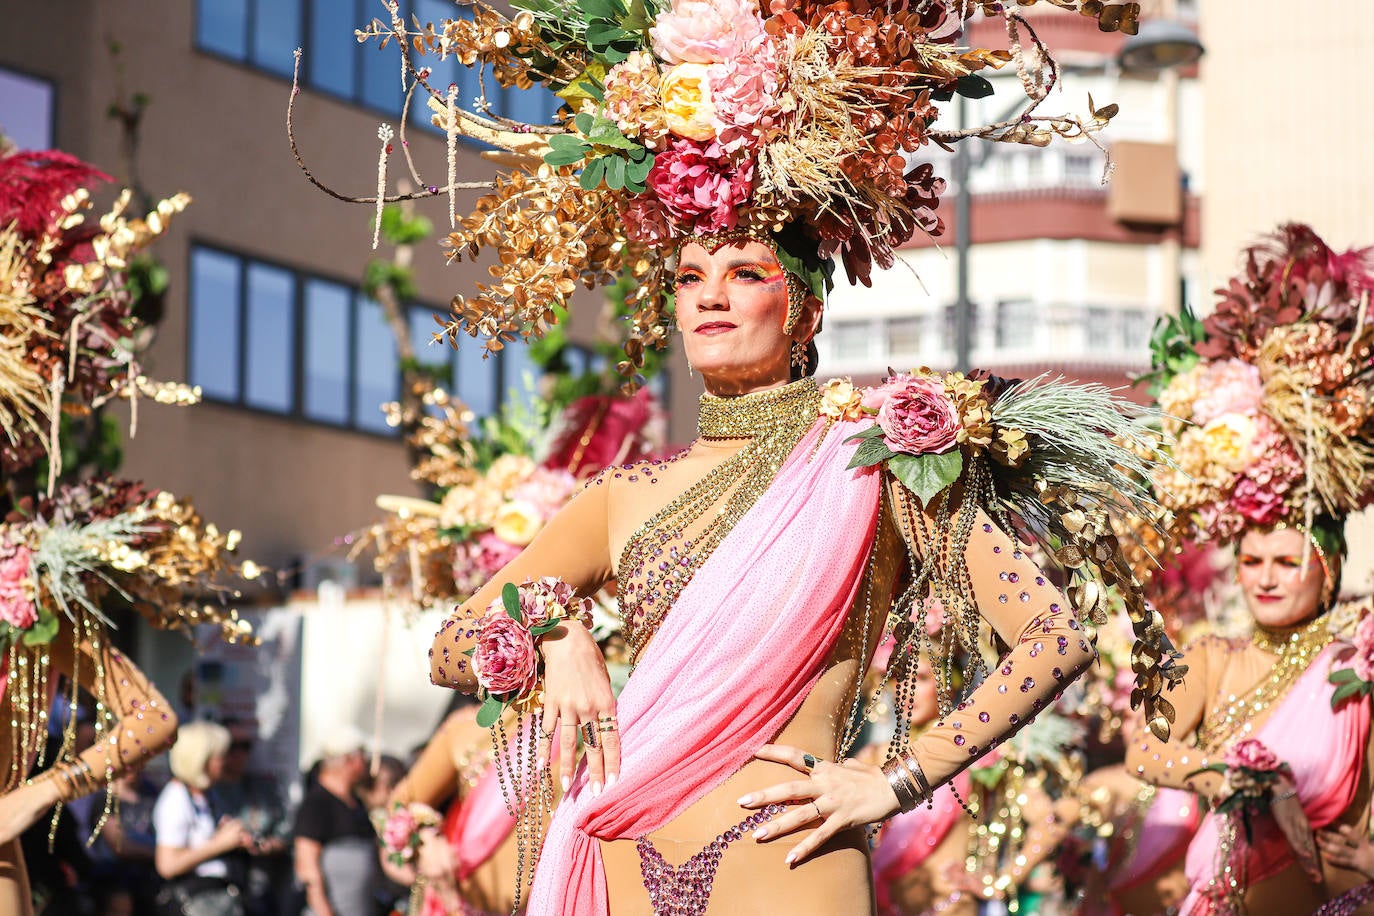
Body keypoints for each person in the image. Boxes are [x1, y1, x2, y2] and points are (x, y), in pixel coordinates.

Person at [1128, 224, 1374, 914]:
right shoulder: (1211, 659)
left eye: (1287, 561)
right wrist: (1220, 775)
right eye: (1251, 561)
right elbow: (1145, 751)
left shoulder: (1360, 658)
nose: (1265, 577)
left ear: (1327, 568)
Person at [154, 720, 254, 916]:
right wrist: (220, 843)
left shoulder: (207, 795)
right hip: (195, 899)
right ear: (201, 759)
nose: (225, 761)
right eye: (220, 756)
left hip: (219, 897)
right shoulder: (176, 797)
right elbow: (167, 865)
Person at [293, 731, 381, 916]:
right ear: (350, 761)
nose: (366, 762)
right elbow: (307, 867)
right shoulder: (316, 803)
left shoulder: (356, 803)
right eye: (362, 756)